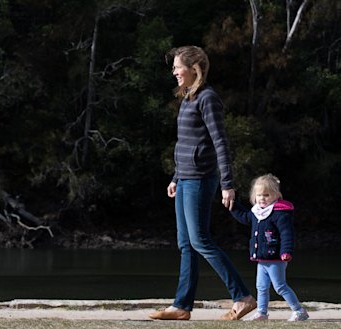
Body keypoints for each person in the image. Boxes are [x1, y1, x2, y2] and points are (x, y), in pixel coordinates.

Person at [148, 46, 256, 321]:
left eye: (177, 67)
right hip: (184, 179)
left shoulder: (208, 99)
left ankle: (243, 296)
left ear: (193, 68)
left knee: (200, 240)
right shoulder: (188, 98)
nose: (173, 72)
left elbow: (220, 142)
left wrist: (228, 184)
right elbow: (186, 143)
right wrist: (175, 177)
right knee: (186, 243)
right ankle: (182, 306)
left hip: (201, 180)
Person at [229, 173, 309, 321]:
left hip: (276, 258)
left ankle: (299, 311)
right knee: (261, 287)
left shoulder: (279, 213)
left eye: (266, 195)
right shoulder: (257, 212)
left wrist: (286, 251)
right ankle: (262, 312)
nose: (262, 198)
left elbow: (287, 234)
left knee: (280, 286)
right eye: (259, 195)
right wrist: (232, 204)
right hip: (262, 259)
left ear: (276, 195)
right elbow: (244, 217)